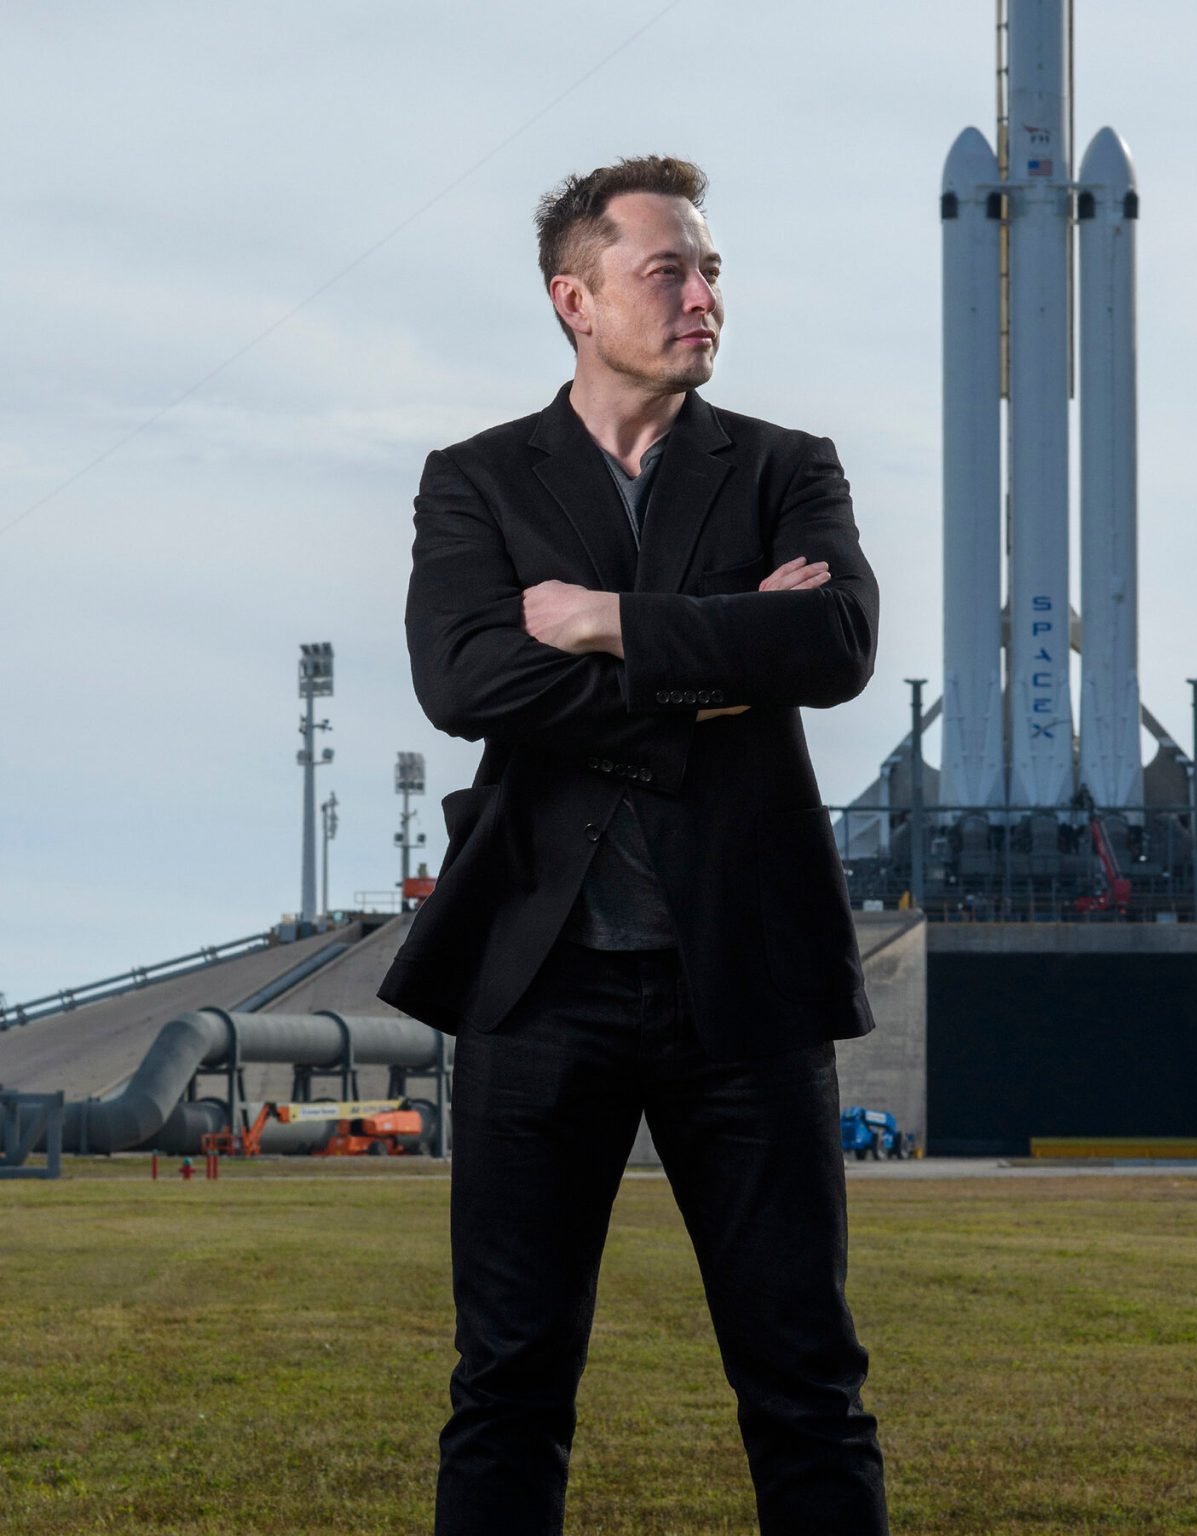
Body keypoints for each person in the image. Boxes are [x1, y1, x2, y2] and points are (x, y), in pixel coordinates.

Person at [377, 154, 889, 1536]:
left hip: (748, 983)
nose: (703, 296)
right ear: (576, 299)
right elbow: (466, 681)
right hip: (541, 985)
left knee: (806, 1383)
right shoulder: (477, 481)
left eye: (711, 271)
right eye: (669, 271)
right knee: (508, 1383)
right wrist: (716, 671)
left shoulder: (785, 466)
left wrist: (609, 623)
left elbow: (835, 642)